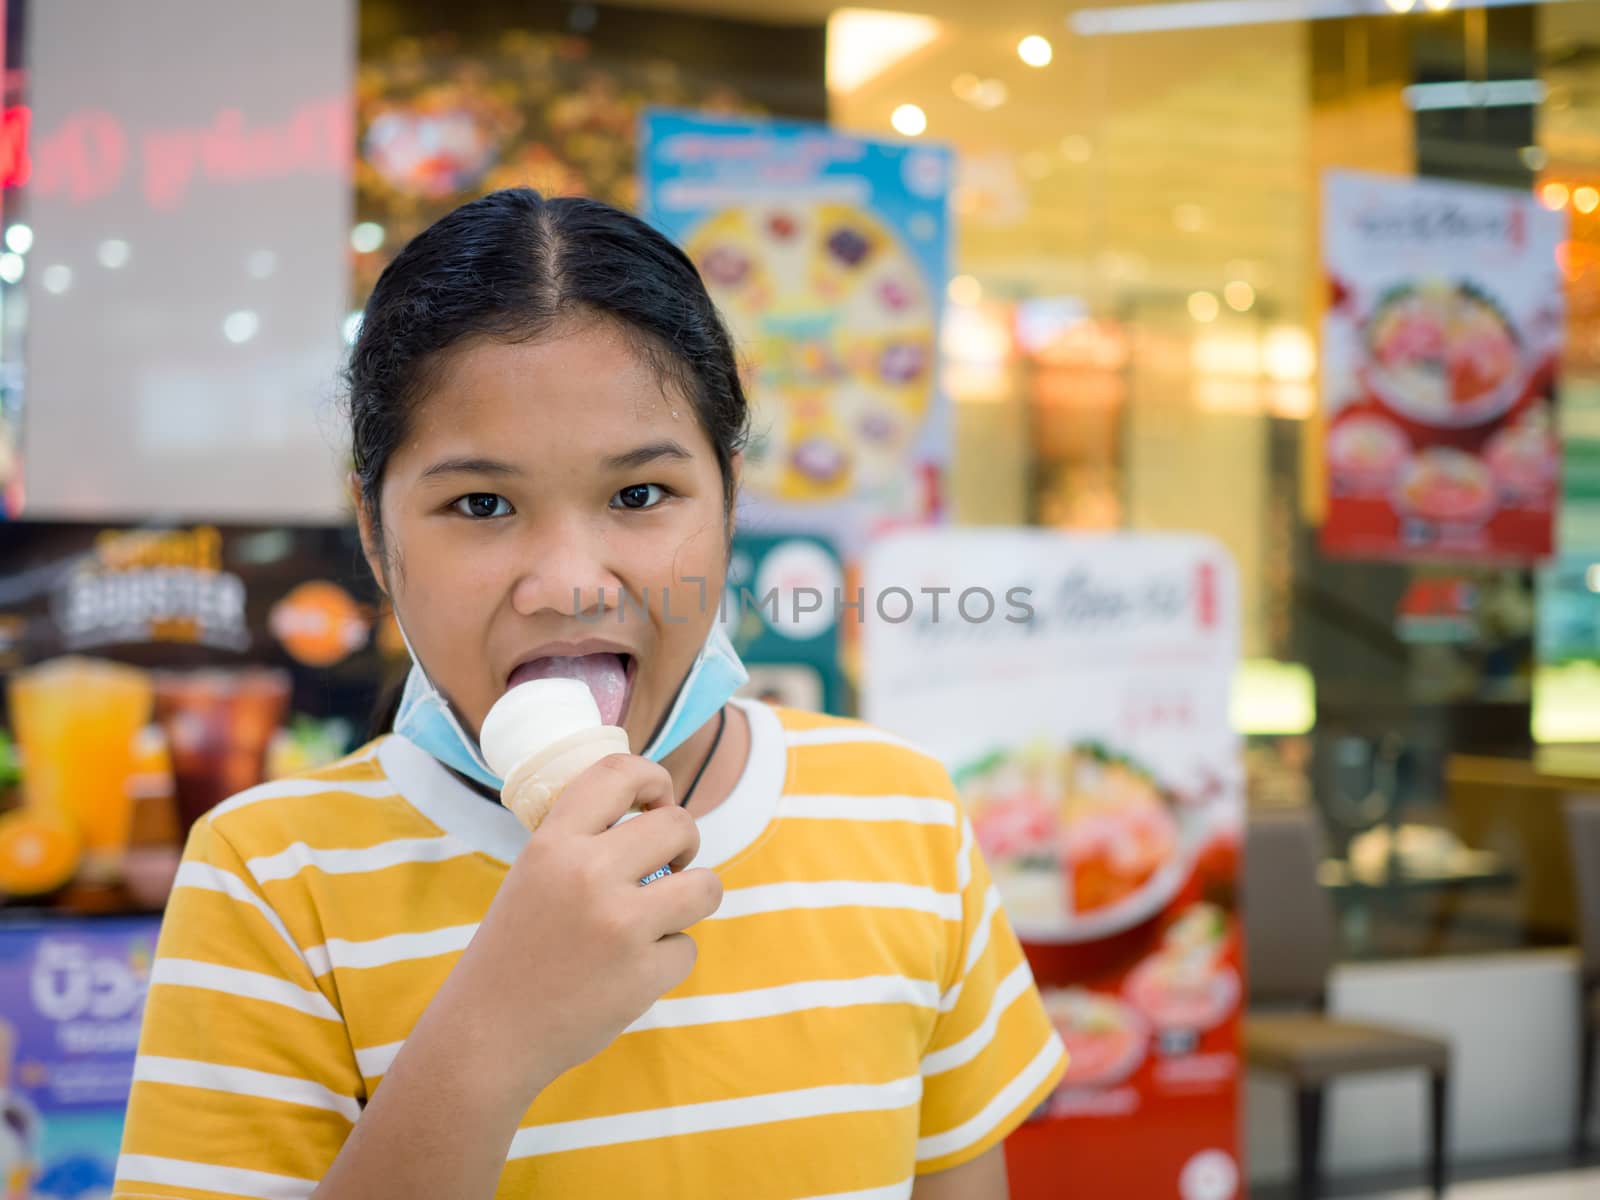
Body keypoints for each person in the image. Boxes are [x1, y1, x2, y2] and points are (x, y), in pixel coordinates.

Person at [114, 188, 1064, 1200]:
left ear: (730, 499)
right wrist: (493, 1038)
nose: (570, 583)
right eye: (480, 504)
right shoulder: (268, 877)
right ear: (373, 533)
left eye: (640, 495)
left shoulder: (900, 813)